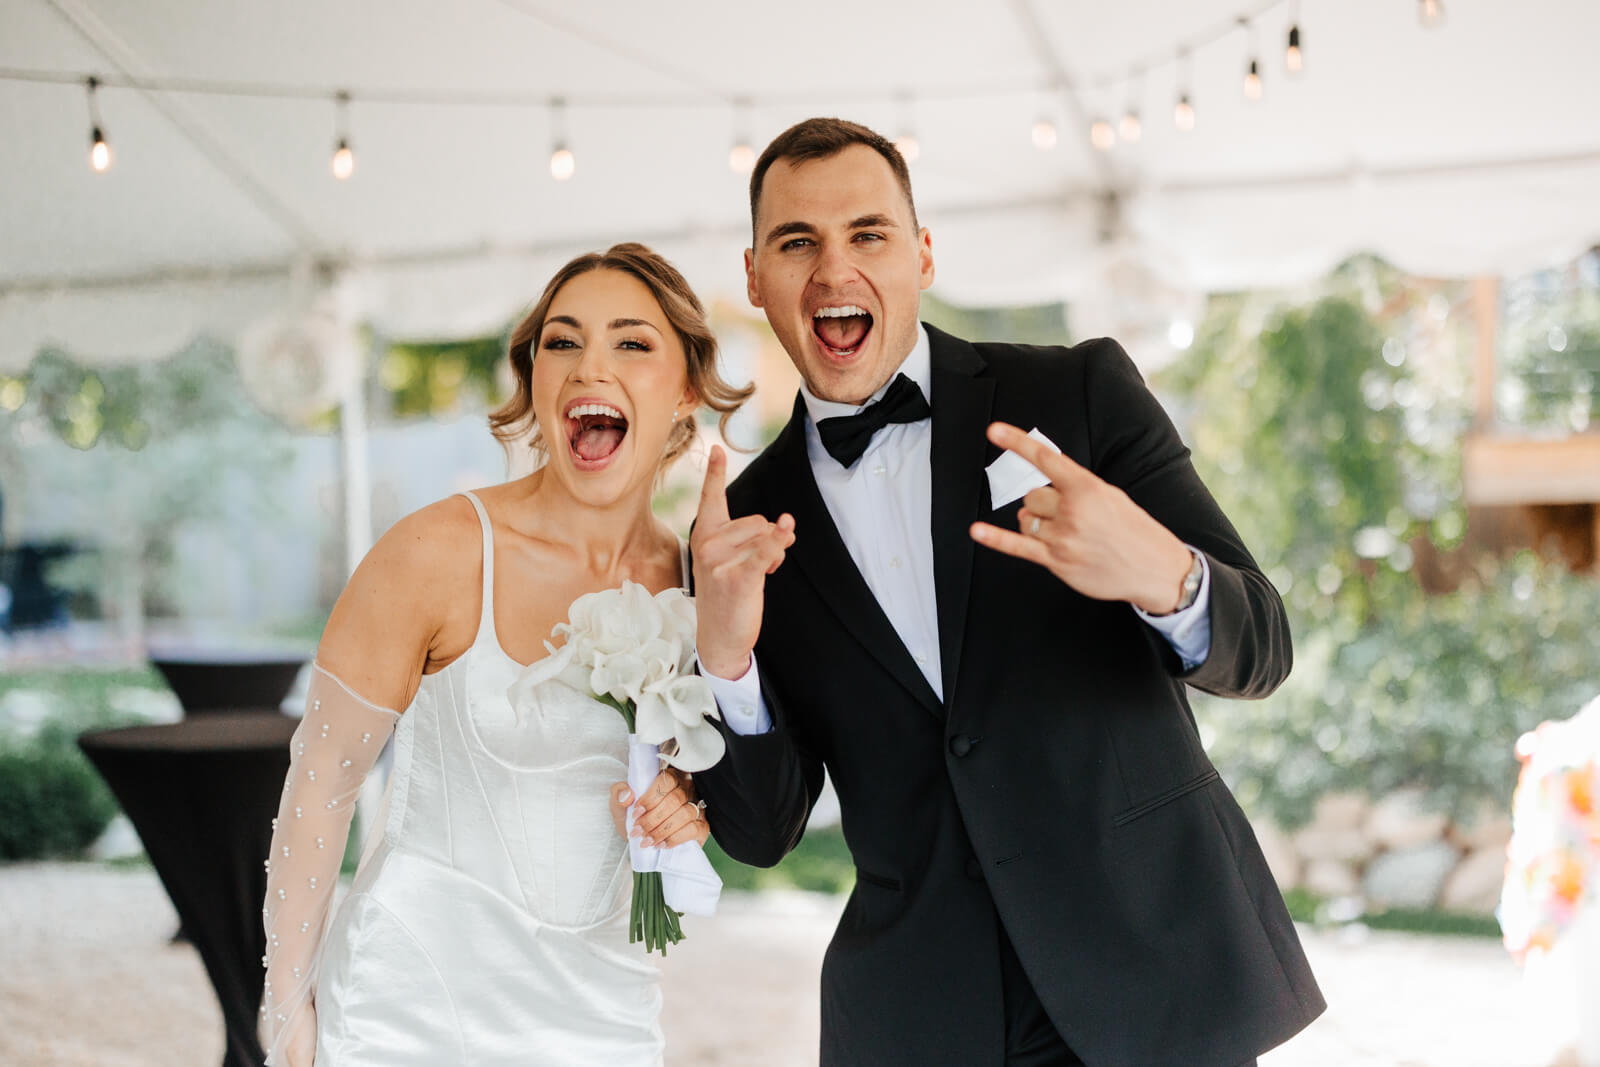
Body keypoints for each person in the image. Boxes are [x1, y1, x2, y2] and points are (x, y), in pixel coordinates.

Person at [690, 118, 1326, 1067]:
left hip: (1153, 972)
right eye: (796, 243)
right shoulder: (738, 528)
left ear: (923, 253)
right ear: (753, 276)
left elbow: (1263, 646)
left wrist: (1160, 571)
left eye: (868, 234)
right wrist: (726, 658)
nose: (833, 270)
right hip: (921, 1017)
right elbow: (761, 830)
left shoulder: (1078, 393)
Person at [259, 243, 751, 1066]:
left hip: (608, 1012)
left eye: (632, 342)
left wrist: (682, 807)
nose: (590, 365)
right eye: (563, 341)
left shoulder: (700, 583)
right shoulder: (435, 551)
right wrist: (285, 1016)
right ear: (533, 379)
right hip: (407, 1014)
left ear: (686, 390)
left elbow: (714, 785)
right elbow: (319, 782)